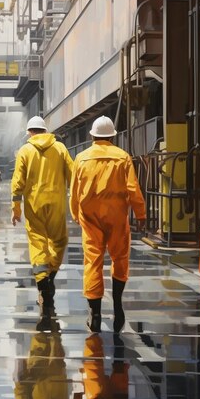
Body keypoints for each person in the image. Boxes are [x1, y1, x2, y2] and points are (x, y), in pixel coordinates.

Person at [69, 116, 146, 333]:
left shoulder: (81, 158)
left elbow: (74, 191)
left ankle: (95, 314)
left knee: (92, 261)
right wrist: (140, 214)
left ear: (92, 135)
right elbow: (133, 188)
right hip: (117, 216)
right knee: (119, 258)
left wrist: (76, 213)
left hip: (90, 217)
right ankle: (118, 306)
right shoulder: (123, 157)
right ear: (112, 136)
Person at [11, 116, 73, 327]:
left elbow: (18, 182)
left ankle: (43, 287)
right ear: (45, 131)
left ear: (30, 132)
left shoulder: (24, 151)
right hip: (57, 203)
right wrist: (76, 201)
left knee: (38, 244)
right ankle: (51, 274)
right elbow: (73, 175)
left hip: (33, 204)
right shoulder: (61, 149)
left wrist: (15, 208)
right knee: (59, 241)